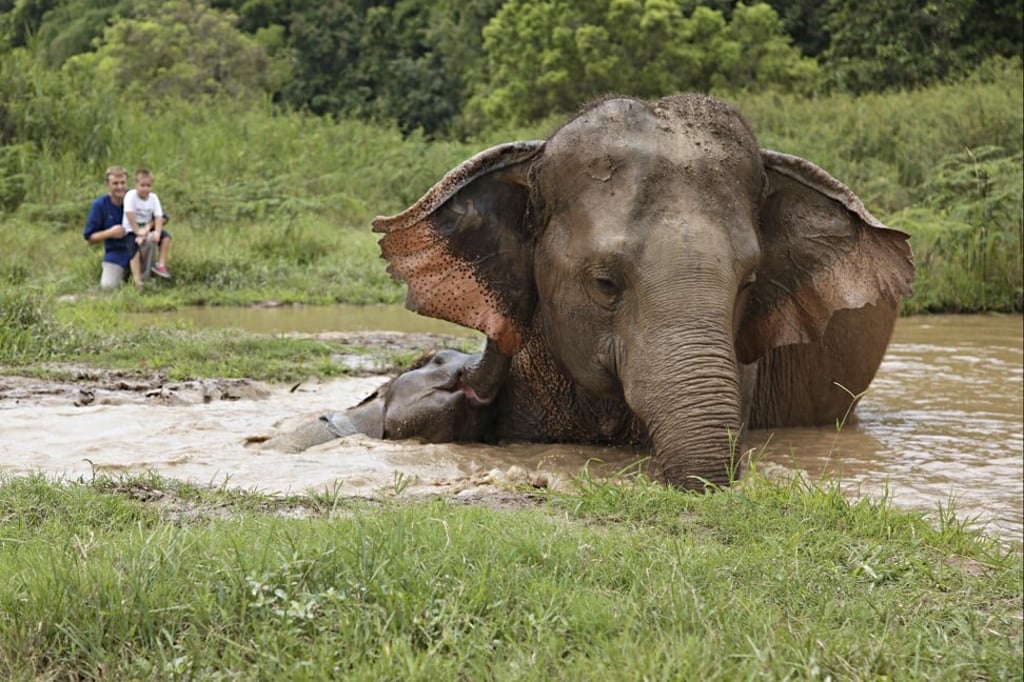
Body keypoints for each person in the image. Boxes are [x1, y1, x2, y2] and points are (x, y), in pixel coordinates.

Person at [83, 165, 144, 289]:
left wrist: (145, 228)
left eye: (123, 183)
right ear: (107, 184)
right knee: (108, 287)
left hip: (139, 249)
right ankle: (125, 275)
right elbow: (89, 237)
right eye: (115, 183)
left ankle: (144, 278)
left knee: (151, 241)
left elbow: (161, 218)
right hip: (116, 253)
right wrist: (109, 233)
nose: (120, 187)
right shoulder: (99, 205)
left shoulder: (136, 197)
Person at [123, 168, 172, 279]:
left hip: (146, 227)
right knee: (135, 245)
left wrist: (158, 232)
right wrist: (139, 233)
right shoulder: (131, 195)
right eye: (142, 185)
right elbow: (129, 215)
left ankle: (161, 265)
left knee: (166, 238)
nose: (146, 189)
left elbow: (159, 216)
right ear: (136, 184)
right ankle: (139, 276)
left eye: (148, 186)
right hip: (132, 228)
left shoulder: (153, 198)